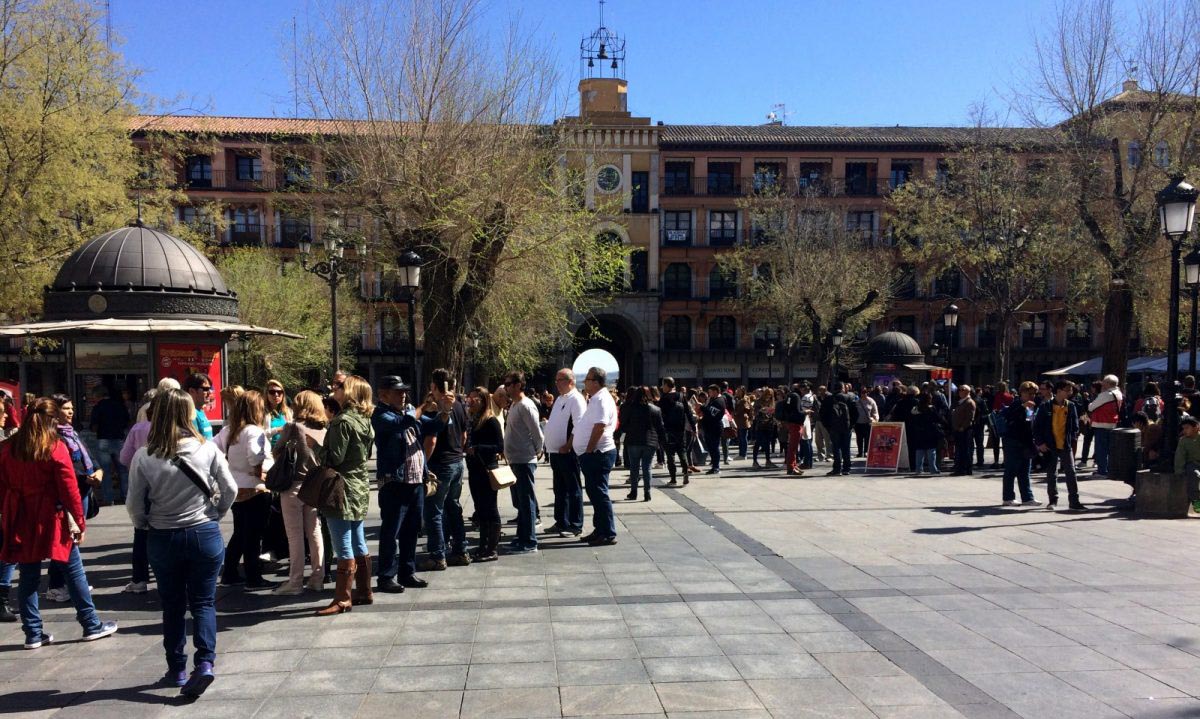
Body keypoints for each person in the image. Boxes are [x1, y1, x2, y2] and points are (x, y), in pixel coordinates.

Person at [127, 389, 236, 697]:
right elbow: (229, 489)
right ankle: (205, 663)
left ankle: (176, 668)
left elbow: (135, 504)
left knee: (172, 605)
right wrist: (216, 512)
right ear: (188, 414)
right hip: (204, 531)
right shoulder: (207, 449)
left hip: (164, 535)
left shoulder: (144, 456)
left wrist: (143, 524)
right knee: (203, 602)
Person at [0, 398, 118, 650]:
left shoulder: (8, 448)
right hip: (51, 517)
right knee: (73, 569)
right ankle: (90, 623)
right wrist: (79, 522)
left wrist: (6, 513)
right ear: (52, 420)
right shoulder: (54, 447)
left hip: (21, 516)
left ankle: (32, 633)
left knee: (28, 576)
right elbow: (69, 489)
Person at [313, 375, 376, 615]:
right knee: (358, 539)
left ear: (349, 392)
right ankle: (365, 591)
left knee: (343, 543)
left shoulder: (342, 422)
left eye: (339, 387)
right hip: (359, 485)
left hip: (341, 488)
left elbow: (334, 458)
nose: (334, 389)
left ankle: (342, 598)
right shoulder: (365, 420)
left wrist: (316, 447)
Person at [44, 394, 102, 603]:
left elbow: (88, 457)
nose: (70, 412)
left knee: (72, 541)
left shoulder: (72, 433)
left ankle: (71, 582)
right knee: (66, 540)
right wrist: (85, 477)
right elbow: (62, 469)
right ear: (55, 411)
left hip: (83, 491)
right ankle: (56, 585)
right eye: (66, 408)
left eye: (71, 408)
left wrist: (98, 471)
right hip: (68, 494)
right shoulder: (53, 437)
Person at [214, 390, 275, 590]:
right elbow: (255, 458)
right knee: (254, 535)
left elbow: (214, 450)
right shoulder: (253, 431)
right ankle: (253, 577)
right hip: (255, 487)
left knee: (240, 533)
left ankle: (230, 573)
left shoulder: (230, 430)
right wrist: (263, 474)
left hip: (235, 487)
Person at [372, 376, 428, 590]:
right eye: (397, 391)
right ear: (383, 394)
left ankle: (407, 571)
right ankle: (386, 576)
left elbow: (434, 425)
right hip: (395, 482)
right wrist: (421, 408)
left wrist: (444, 411)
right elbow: (399, 424)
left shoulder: (408, 412)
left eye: (404, 391)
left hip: (415, 481)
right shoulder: (381, 415)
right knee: (391, 531)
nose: (403, 395)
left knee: (412, 529)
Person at [271, 390, 327, 595]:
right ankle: (317, 578)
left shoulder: (293, 427)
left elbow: (277, 450)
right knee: (315, 532)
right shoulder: (323, 427)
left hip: (293, 485)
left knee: (294, 536)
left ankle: (295, 582)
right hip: (314, 485)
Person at [419, 368, 470, 570]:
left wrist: (423, 464)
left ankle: (437, 554)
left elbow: (431, 440)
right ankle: (460, 550)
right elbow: (464, 436)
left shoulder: (436, 408)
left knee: (434, 511)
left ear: (433, 386)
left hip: (440, 464)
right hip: (457, 461)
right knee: (454, 507)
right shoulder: (459, 406)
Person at [118, 388, 160, 594]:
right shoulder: (174, 430)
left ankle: (139, 579)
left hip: (142, 484)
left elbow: (125, 457)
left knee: (141, 534)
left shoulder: (137, 429)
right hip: (165, 486)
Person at [576, 367, 619, 546]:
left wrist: (589, 449)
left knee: (599, 494)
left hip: (598, 453)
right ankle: (600, 529)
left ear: (595, 382)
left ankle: (608, 532)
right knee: (595, 493)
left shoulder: (601, 399)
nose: (585, 382)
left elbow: (600, 426)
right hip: (595, 453)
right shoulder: (597, 398)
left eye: (587, 379)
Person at [503, 371, 544, 553]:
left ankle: (529, 541)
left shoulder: (526, 406)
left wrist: (537, 450)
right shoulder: (514, 405)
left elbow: (536, 432)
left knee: (526, 501)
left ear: (519, 385)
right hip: (515, 459)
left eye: (509, 384)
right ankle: (521, 536)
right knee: (520, 501)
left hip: (524, 459)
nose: (506, 387)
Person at [545, 368, 586, 537]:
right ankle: (561, 520)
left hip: (567, 452)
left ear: (570, 381)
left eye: (559, 380)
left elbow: (579, 425)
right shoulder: (561, 399)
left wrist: (568, 445)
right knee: (559, 489)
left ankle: (575, 524)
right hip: (555, 452)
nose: (556, 383)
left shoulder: (576, 399)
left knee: (572, 488)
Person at [1034, 380, 1086, 511]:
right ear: (1058, 391)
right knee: (1051, 473)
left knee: (1071, 473)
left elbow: (1075, 425)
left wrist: (1073, 436)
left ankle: (1074, 501)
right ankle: (1053, 500)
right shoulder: (1045, 407)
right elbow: (1037, 427)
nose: (1070, 392)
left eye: (1070, 390)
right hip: (1050, 445)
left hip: (1065, 444)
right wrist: (1040, 443)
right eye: (1067, 390)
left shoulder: (1071, 406)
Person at [465, 386, 503, 561]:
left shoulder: (490, 420)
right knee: (480, 509)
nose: (471, 402)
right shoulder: (473, 419)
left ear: (483, 401)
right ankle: (483, 546)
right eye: (469, 399)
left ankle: (492, 549)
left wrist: (478, 448)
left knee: (490, 508)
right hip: (475, 470)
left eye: (475, 399)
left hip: (487, 469)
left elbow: (499, 447)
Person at [616, 386, 666, 502]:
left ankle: (633, 492)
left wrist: (617, 436)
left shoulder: (630, 408)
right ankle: (647, 493)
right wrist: (663, 442)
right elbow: (660, 428)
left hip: (633, 441)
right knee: (646, 467)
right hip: (650, 441)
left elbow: (623, 424)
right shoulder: (655, 409)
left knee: (634, 467)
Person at [1002, 381, 1041, 507]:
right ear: (1022, 393)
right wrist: (1023, 407)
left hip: (1025, 441)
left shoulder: (1030, 406)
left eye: (1034, 393)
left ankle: (1027, 497)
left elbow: (1029, 423)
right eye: (1030, 393)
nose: (1032, 396)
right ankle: (1008, 497)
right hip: (1013, 441)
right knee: (1011, 470)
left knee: (1025, 471)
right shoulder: (1016, 404)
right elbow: (1011, 418)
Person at [89, 385, 130, 504]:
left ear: (98, 396)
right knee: (123, 470)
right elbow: (127, 421)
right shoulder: (119, 405)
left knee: (105, 471)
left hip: (103, 440)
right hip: (119, 439)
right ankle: (126, 496)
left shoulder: (98, 407)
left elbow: (94, 426)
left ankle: (109, 498)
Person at [658, 378, 693, 486]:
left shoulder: (664, 398)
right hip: (680, 430)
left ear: (668, 385)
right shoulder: (681, 396)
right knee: (682, 451)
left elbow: (660, 416)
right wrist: (693, 427)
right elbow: (688, 412)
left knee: (670, 455)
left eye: (663, 385)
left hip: (668, 430)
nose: (662, 387)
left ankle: (673, 479)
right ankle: (685, 471)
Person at [1088, 374, 1124, 477]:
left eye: (1104, 381)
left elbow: (1091, 407)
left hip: (1101, 423)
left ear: (1108, 383)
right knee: (1109, 449)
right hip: (1112, 423)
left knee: (1101, 449)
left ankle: (1102, 471)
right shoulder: (1118, 393)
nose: (1102, 383)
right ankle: (1108, 469)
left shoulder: (1106, 394)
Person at [820, 381, 857, 475]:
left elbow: (822, 414)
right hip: (846, 426)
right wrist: (851, 425)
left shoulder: (829, 398)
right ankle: (847, 468)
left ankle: (837, 469)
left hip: (834, 427)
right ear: (843, 388)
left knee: (836, 447)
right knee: (846, 447)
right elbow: (856, 413)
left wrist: (828, 426)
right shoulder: (850, 397)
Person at [909, 393, 945, 476]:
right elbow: (938, 418)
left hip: (919, 432)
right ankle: (933, 469)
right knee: (931, 451)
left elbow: (912, 420)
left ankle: (918, 469)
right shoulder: (931, 408)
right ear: (929, 399)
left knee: (919, 451)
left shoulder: (915, 409)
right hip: (930, 432)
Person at [699, 385, 727, 475]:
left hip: (714, 427)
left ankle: (716, 467)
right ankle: (714, 465)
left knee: (714, 447)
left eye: (710, 392)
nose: (709, 394)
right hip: (708, 427)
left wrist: (702, 407)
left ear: (715, 391)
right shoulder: (712, 400)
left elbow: (712, 414)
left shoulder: (719, 401)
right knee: (711, 447)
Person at [951, 385, 976, 475]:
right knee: (959, 450)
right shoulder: (960, 402)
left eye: (963, 390)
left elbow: (970, 417)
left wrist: (963, 427)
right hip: (957, 430)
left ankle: (965, 469)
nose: (960, 391)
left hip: (964, 430)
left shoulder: (969, 402)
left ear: (968, 392)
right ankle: (959, 468)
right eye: (959, 390)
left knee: (965, 450)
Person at [183, 373, 215, 440]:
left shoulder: (199, 411)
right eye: (205, 389)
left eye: (210, 389)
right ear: (192, 391)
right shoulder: (190, 414)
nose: (210, 392)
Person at [752, 388, 778, 469]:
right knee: (758, 443)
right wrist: (760, 410)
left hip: (769, 424)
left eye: (770, 396)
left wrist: (773, 412)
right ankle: (755, 461)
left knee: (767, 443)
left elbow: (774, 413)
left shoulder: (772, 402)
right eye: (767, 395)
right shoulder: (758, 401)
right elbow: (754, 412)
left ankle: (768, 460)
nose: (768, 397)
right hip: (760, 425)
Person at [264, 379, 292, 447]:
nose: (276, 395)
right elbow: (259, 434)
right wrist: (277, 429)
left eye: (279, 392)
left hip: (285, 451)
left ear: (283, 394)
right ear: (266, 394)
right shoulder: (262, 412)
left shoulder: (288, 412)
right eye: (272, 392)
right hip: (269, 452)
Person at [854, 387, 878, 458]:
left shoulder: (871, 401)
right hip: (858, 423)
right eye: (862, 392)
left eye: (865, 392)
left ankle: (866, 452)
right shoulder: (857, 401)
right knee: (859, 438)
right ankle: (860, 452)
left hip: (867, 423)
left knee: (867, 438)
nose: (864, 394)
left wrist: (874, 418)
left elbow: (875, 411)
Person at [732, 388, 753, 460]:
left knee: (743, 438)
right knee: (740, 438)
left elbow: (746, 408)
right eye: (737, 391)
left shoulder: (744, 400)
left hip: (743, 421)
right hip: (738, 421)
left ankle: (743, 454)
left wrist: (737, 412)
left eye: (739, 391)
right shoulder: (738, 399)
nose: (737, 392)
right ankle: (741, 453)